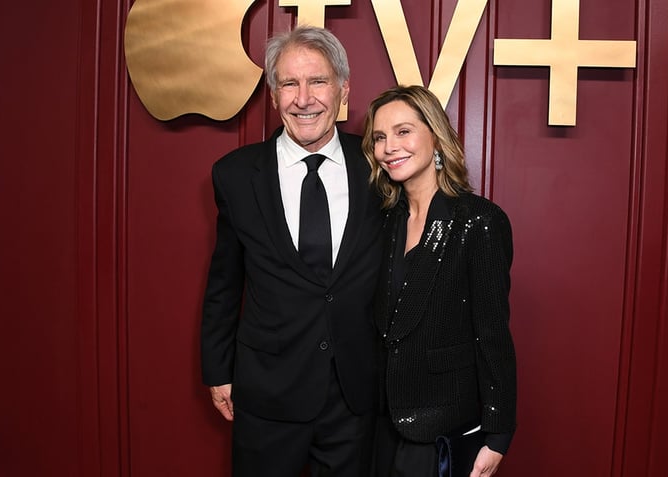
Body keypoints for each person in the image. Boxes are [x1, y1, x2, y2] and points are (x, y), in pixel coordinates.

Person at [200, 26, 383, 477]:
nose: (304, 98)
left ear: (343, 89)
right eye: (289, 83)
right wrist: (217, 368)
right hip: (267, 392)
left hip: (355, 395)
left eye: (318, 82)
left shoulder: (378, 168)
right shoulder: (236, 175)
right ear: (274, 93)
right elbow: (225, 280)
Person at [361, 85, 517, 477]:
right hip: (379, 424)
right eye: (380, 137)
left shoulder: (478, 221)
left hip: (441, 428)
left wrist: (497, 434)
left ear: (436, 137)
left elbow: (492, 333)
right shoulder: (383, 220)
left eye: (403, 131)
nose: (389, 147)